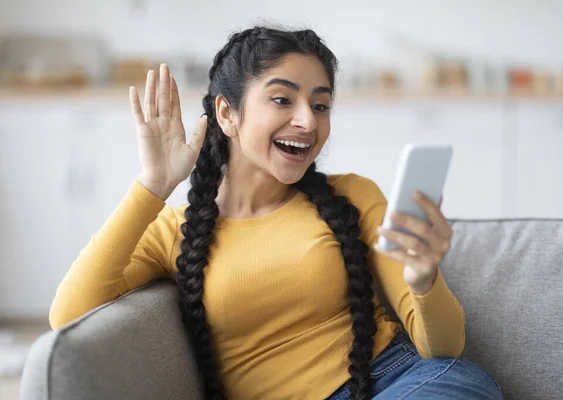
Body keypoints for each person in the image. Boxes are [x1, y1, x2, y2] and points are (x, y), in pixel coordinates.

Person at [49, 26, 502, 400]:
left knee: (463, 386)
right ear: (228, 114)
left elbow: (443, 349)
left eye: (321, 105)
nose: (308, 120)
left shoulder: (353, 196)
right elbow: (69, 314)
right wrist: (153, 185)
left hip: (401, 383)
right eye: (283, 100)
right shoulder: (174, 230)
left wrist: (423, 280)